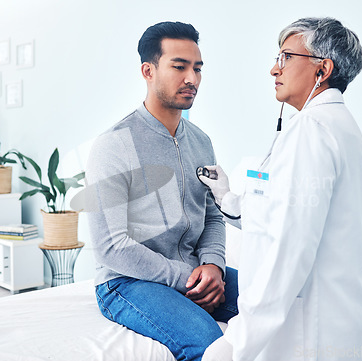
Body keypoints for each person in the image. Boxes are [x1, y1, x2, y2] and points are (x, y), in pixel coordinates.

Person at [200, 17, 362, 361]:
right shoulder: (342, 127)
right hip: (341, 324)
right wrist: (227, 197)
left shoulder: (311, 131)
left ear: (322, 69)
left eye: (285, 57)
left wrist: (238, 340)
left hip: (312, 333)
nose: (273, 69)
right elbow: (280, 212)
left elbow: (287, 247)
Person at [85, 21, 238, 361]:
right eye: (179, 66)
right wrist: (189, 277)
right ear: (148, 70)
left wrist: (213, 266)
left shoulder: (201, 141)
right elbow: (110, 246)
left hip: (196, 271)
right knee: (212, 346)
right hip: (126, 282)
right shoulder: (113, 146)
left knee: (278, 306)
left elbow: (213, 214)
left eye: (197, 68)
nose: (192, 79)